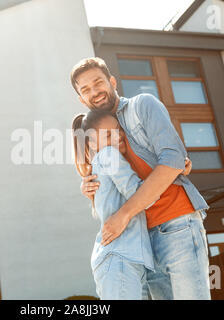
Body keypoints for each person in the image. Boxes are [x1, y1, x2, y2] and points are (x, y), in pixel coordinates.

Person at [70, 57, 211, 300]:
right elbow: (108, 186)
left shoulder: (142, 105)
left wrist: (123, 214)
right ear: (82, 99)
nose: (95, 92)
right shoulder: (97, 135)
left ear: (112, 82)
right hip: (142, 241)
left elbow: (173, 159)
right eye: (86, 90)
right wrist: (89, 185)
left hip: (176, 223)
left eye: (98, 83)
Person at [72, 110, 158, 299]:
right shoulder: (108, 155)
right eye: (109, 135)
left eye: (118, 130)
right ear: (92, 142)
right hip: (120, 258)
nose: (118, 136)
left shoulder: (103, 162)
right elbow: (142, 195)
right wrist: (168, 171)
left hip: (128, 260)